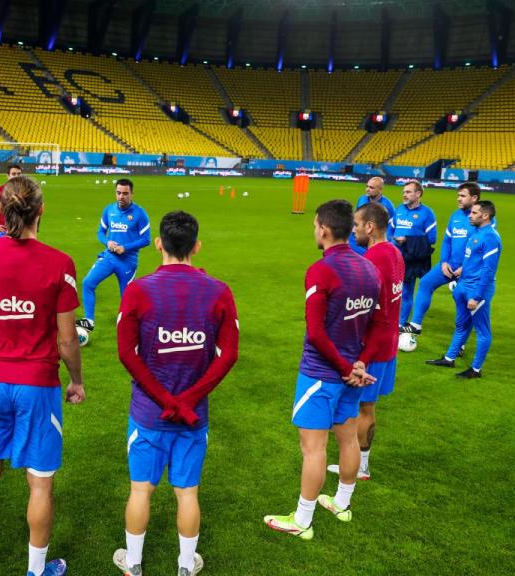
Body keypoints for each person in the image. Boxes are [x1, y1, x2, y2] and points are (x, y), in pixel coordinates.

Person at [0, 176, 84, 576]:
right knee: (40, 483)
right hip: (38, 387)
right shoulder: (60, 263)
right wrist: (77, 380)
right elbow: (67, 341)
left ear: (2, 211)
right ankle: (36, 570)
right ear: (40, 210)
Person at [113, 211, 239, 576]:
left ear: (158, 244)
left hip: (149, 413)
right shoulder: (219, 290)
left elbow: (126, 353)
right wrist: (185, 401)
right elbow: (229, 354)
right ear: (196, 247)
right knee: (187, 492)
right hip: (192, 415)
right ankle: (185, 566)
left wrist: (167, 401)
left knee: (141, 490)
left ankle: (133, 563)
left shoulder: (138, 289)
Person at [264, 199, 379, 540]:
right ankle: (341, 503)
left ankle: (302, 520)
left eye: (315, 226)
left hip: (322, 374)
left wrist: (346, 367)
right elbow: (380, 322)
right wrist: (360, 364)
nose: (314, 230)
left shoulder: (321, 270)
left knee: (313, 449)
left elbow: (315, 332)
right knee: (348, 440)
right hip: (352, 375)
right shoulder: (369, 268)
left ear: (325, 230)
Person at [328, 202, 404, 482]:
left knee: (363, 407)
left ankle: (360, 465)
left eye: (357, 226)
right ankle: (361, 463)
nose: (354, 231)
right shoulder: (395, 252)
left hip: (375, 346)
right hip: (389, 342)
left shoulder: (374, 259)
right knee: (366, 407)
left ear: (370, 227)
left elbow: (367, 307)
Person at [403, 182, 494, 336]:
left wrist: (465, 268)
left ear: (474, 198)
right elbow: (446, 241)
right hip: (449, 265)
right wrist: (444, 262)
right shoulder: (455, 216)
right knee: (425, 283)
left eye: (462, 196)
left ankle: (461, 341)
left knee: (462, 301)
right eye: (458, 195)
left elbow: (482, 250)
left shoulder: (482, 220)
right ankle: (415, 324)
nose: (458, 199)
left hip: (468, 271)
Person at [426, 200, 501, 378]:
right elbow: (472, 260)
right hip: (463, 286)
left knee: (482, 331)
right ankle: (449, 358)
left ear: (485, 215)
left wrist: (477, 296)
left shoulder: (491, 237)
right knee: (461, 325)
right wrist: (462, 271)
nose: (470, 215)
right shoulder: (476, 232)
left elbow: (489, 270)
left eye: (474, 213)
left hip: (476, 290)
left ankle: (476, 369)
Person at [77, 179, 151, 335]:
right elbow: (100, 233)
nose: (121, 196)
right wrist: (107, 242)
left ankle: (128, 326)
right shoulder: (109, 210)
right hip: (109, 258)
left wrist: (126, 248)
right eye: (118, 193)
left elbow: (146, 240)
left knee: (127, 297)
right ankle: (88, 321)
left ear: (132, 194)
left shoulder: (139, 213)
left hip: (128, 262)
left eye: (125, 193)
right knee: (87, 283)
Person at [391, 181, 437, 326]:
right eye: (404, 192)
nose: (404, 194)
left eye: (408, 192)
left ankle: (401, 323)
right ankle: (391, 319)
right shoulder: (399, 209)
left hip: (411, 258)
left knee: (406, 291)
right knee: (392, 290)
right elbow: (390, 229)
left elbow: (432, 238)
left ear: (418, 194)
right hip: (395, 257)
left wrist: (407, 240)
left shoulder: (427, 213)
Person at [347, 177, 395, 256]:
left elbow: (391, 226)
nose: (367, 189)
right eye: (367, 186)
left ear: (380, 189)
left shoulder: (388, 205)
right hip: (359, 236)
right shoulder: (362, 199)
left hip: (373, 239)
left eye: (371, 187)